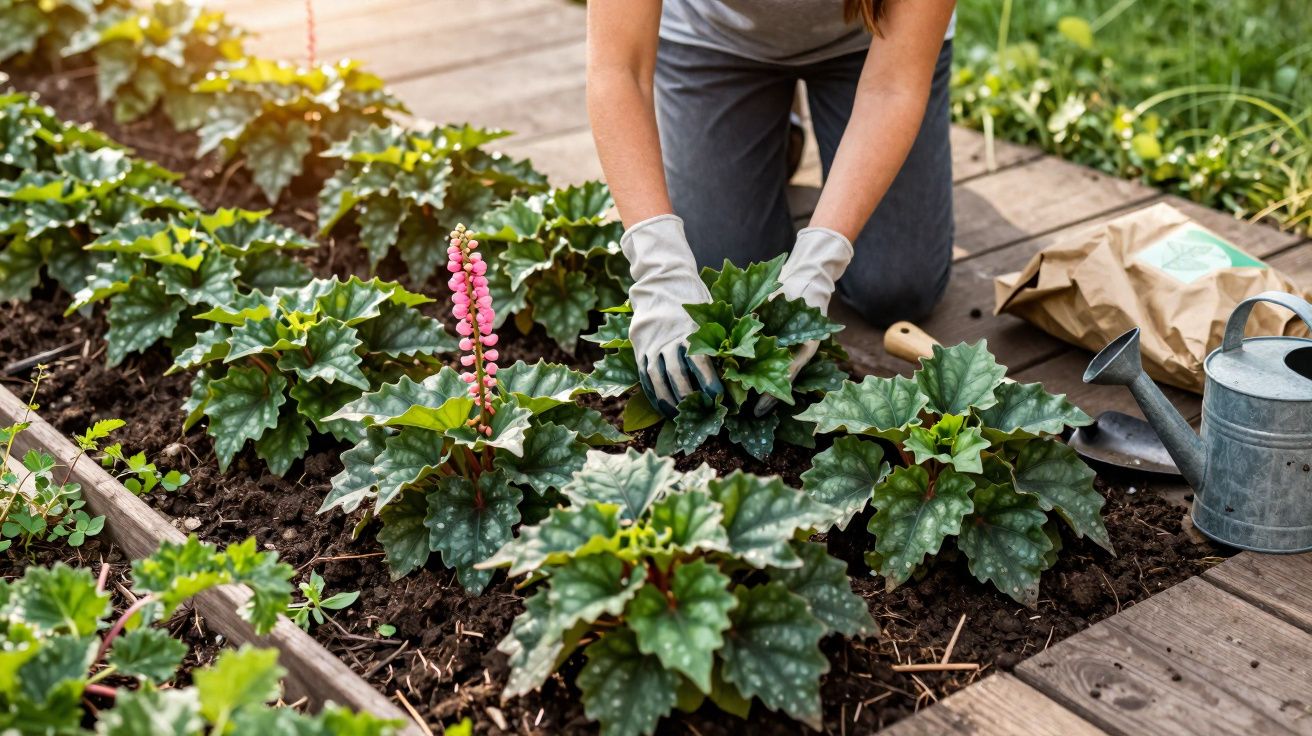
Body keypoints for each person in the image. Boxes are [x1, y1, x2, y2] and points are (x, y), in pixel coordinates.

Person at [587, 0, 958, 414]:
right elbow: (620, 69)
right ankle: (780, 125)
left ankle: (786, 127)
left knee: (897, 285)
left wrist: (820, 260)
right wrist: (658, 263)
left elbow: (892, 88)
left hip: (875, 38)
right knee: (727, 276)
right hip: (716, 41)